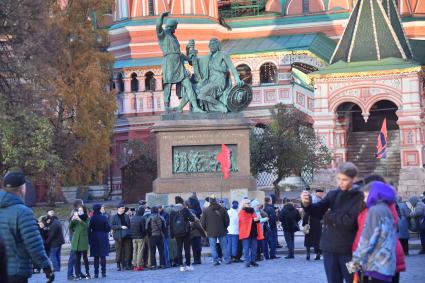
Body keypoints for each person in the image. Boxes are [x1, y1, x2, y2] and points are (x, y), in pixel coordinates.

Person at [301, 162, 364, 283]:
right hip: (329, 249)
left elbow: (350, 221)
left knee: (355, 280)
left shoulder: (361, 196)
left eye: (344, 179)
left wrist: (328, 216)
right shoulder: (333, 194)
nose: (340, 182)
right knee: (333, 280)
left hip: (352, 253)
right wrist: (306, 203)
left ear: (354, 179)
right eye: (338, 179)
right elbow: (317, 211)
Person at [0, 172, 54, 283]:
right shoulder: (23, 212)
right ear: (21, 188)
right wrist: (46, 266)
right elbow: (33, 244)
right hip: (16, 272)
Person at [352, 179, 406, 283]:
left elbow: (367, 240)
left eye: (366, 196)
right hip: (387, 264)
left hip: (375, 264)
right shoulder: (386, 208)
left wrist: (354, 265)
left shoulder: (374, 210)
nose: (364, 200)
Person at [155, 12, 204, 113]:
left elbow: (178, 53)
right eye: (175, 27)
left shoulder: (174, 37)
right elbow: (158, 26)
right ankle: (166, 107)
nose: (175, 29)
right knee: (168, 85)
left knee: (188, 85)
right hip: (169, 64)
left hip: (178, 64)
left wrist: (188, 58)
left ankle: (195, 106)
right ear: (171, 26)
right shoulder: (163, 35)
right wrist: (162, 16)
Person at [201, 195, 231, 266]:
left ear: (210, 201)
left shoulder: (206, 210)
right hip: (222, 230)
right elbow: (227, 220)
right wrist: (224, 227)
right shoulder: (222, 209)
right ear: (216, 200)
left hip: (211, 232)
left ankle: (215, 260)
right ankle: (227, 259)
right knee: (224, 246)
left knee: (213, 247)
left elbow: (202, 222)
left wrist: (206, 229)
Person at [170, 196, 195, 271]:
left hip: (177, 233)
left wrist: (172, 234)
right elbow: (192, 219)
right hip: (186, 232)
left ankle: (181, 266)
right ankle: (188, 265)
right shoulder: (185, 210)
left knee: (179, 249)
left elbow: (171, 224)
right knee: (187, 248)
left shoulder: (172, 211)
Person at [239, 199, 263, 267]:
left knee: (254, 248)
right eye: (247, 203)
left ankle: (253, 261)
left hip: (253, 232)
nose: (249, 204)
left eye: (249, 203)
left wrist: (257, 220)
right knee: (246, 248)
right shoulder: (242, 212)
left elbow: (255, 220)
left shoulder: (252, 210)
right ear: (243, 204)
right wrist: (253, 220)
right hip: (245, 232)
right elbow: (243, 221)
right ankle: (247, 261)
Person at [89, 204, 111, 278]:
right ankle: (103, 273)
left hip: (94, 237)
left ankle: (96, 273)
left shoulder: (91, 218)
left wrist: (89, 239)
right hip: (103, 237)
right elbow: (108, 228)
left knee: (96, 256)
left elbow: (89, 229)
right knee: (103, 256)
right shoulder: (103, 217)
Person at [69, 205, 91, 280]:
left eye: (81, 210)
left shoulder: (87, 218)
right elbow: (70, 227)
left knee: (85, 258)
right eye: (79, 210)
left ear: (84, 211)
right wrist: (72, 220)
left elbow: (86, 226)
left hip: (83, 241)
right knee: (77, 259)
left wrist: (80, 220)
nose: (80, 212)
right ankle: (77, 274)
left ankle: (87, 273)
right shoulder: (76, 218)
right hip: (76, 241)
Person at [302, 189, 324, 261]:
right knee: (316, 241)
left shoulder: (308, 211)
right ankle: (317, 254)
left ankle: (309, 254)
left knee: (309, 241)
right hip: (316, 227)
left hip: (309, 227)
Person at [111, 202, 132, 271]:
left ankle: (126, 264)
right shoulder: (114, 217)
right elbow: (111, 226)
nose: (124, 209)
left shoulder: (126, 216)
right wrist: (120, 227)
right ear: (118, 209)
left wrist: (127, 227)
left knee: (127, 250)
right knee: (118, 251)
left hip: (127, 236)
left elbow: (129, 224)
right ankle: (118, 265)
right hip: (118, 236)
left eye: (124, 208)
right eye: (122, 208)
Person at [67, 199, 83, 280]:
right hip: (75, 237)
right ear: (79, 205)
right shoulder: (75, 213)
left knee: (78, 256)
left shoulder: (76, 212)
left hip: (77, 236)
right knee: (73, 256)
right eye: (82, 204)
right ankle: (70, 274)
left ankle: (78, 272)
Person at [187, 201, 206, 265]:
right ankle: (196, 260)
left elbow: (200, 227)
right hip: (193, 236)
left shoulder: (195, 219)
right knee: (195, 248)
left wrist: (203, 235)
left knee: (197, 248)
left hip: (196, 236)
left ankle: (197, 260)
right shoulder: (190, 219)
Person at [130, 205, 146, 271]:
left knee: (134, 251)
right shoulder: (142, 218)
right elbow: (143, 229)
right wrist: (144, 234)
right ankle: (139, 265)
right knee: (140, 252)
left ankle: (134, 265)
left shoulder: (132, 218)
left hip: (133, 237)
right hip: (140, 237)